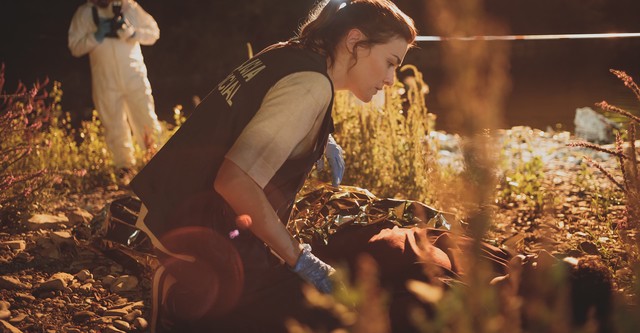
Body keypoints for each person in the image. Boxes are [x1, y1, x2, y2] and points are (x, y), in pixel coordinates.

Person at [128, 0, 416, 331]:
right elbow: (234, 181)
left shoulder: (288, 52)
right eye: (390, 63)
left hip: (169, 207)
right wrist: (301, 259)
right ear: (354, 42)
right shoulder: (312, 86)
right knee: (330, 318)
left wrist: (318, 137)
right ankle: (185, 295)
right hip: (201, 233)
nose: (392, 79)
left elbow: (249, 114)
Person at [68, 0, 162, 179]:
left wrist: (133, 32)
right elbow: (74, 46)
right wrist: (95, 36)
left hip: (134, 75)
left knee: (146, 117)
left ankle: (155, 160)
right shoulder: (85, 13)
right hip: (105, 79)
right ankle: (124, 167)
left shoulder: (130, 8)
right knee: (114, 124)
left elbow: (154, 32)